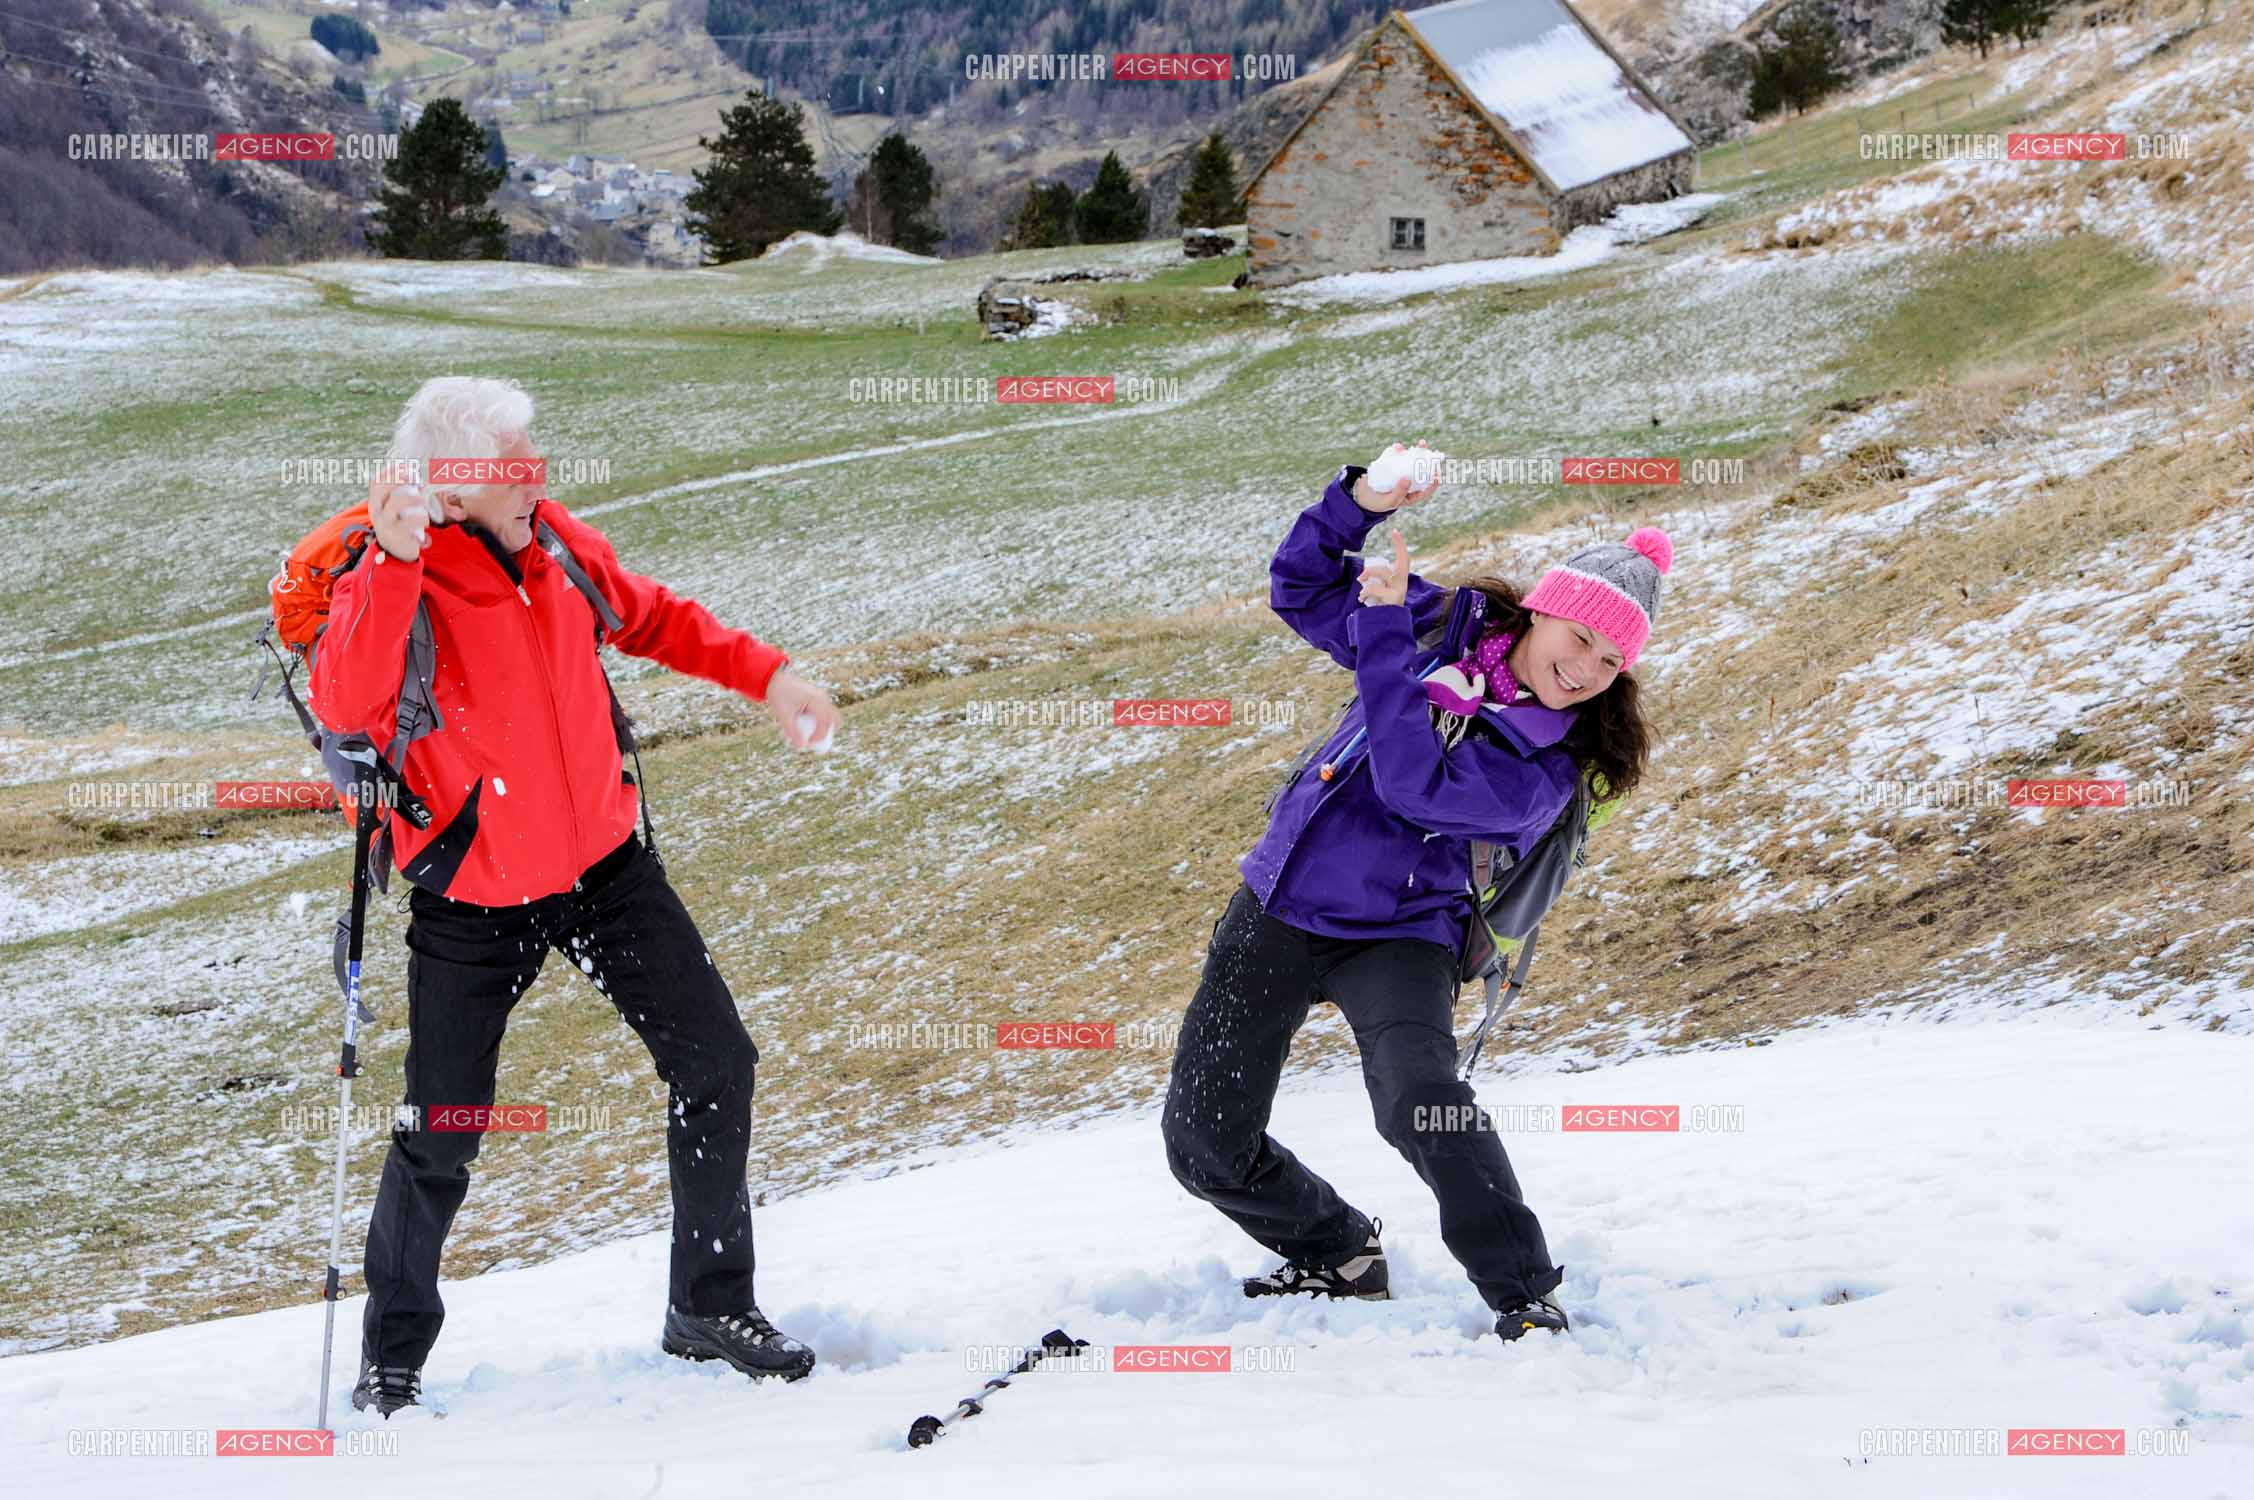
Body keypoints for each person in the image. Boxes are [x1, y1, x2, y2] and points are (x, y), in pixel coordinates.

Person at [311, 377, 840, 1415]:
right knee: (444, 1127)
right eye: (516, 465)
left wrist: (770, 677)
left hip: (604, 871)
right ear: (453, 488)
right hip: (472, 895)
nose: (538, 478)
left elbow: (652, 617)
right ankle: (393, 1356)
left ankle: (709, 1305)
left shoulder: (554, 543)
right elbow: (345, 695)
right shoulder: (400, 573)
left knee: (716, 1061)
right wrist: (392, 561)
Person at [1160, 442, 1664, 1340]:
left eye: (1611, 659)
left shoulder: (1550, 766)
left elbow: (1413, 785)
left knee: (1421, 1102)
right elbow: (1301, 588)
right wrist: (1363, 501)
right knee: (1204, 1142)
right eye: (1581, 638)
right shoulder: (1440, 625)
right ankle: (1338, 1250)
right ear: (1541, 611)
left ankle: (1524, 1292)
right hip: (1279, 905)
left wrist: (1386, 634)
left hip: (1402, 934)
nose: (1587, 669)